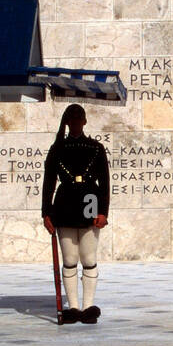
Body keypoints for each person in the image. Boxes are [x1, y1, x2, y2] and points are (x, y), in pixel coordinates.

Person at [41, 103, 110, 324]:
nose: (76, 122)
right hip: (65, 202)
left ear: (85, 121)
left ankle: (88, 306)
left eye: (80, 118)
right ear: (67, 122)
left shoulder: (96, 148)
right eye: (72, 118)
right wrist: (46, 212)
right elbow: (49, 182)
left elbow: (105, 182)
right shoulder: (57, 148)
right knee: (70, 258)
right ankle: (73, 307)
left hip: (90, 200)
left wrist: (103, 211)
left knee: (89, 257)